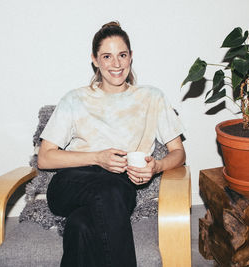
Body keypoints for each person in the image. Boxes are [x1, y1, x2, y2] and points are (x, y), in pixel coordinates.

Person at [38, 21, 186, 267]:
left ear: (131, 57)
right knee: (106, 190)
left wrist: (156, 166)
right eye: (107, 56)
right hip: (72, 182)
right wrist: (97, 157)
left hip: (121, 187)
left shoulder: (152, 97)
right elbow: (45, 158)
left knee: (81, 225)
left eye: (122, 55)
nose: (116, 64)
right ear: (95, 60)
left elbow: (178, 152)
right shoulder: (75, 99)